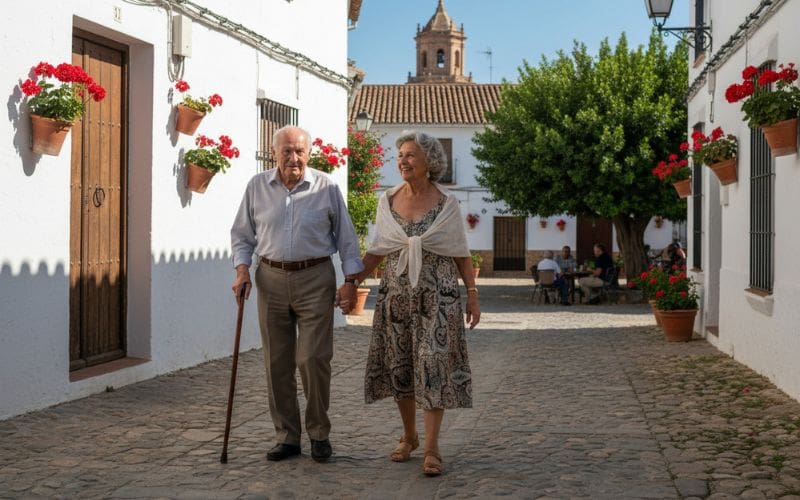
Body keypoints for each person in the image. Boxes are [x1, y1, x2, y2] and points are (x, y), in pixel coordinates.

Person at [344, 130, 480, 477]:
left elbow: (461, 253)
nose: (403, 161)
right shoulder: (387, 200)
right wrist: (351, 282)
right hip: (396, 294)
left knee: (433, 365)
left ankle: (432, 448)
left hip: (439, 297)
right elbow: (377, 250)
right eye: (400, 155)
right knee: (400, 366)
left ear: (429, 162)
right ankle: (409, 435)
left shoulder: (447, 204)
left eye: (410, 155)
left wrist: (473, 296)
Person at [230, 125, 363, 463]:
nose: (293, 158)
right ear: (273, 152)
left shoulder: (326, 187)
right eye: (286, 151)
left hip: (315, 277)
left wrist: (350, 282)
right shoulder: (257, 187)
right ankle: (287, 436)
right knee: (276, 361)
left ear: (309, 153)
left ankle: (319, 432)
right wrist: (242, 270)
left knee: (313, 358)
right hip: (270, 278)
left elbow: (346, 240)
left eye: (299, 151)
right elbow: (242, 236)